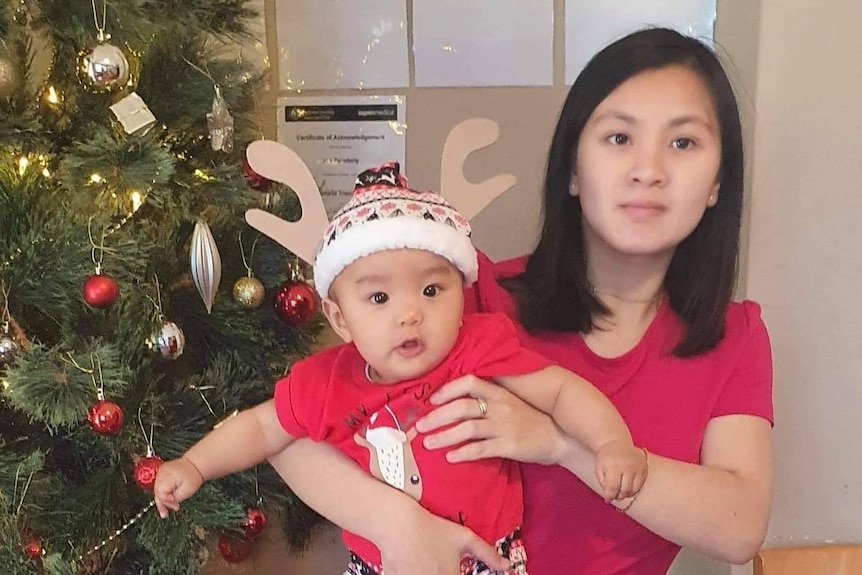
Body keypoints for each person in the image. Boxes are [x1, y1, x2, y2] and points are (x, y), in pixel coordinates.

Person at [265, 27, 774, 575]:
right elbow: (285, 436)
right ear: (574, 169)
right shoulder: (465, 297)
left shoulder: (734, 336)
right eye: (619, 138)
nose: (648, 170)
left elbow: (739, 526)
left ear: (719, 181)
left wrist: (559, 442)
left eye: (683, 143)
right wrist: (397, 525)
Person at [152, 163, 649, 575]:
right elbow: (261, 426)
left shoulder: (478, 346)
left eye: (432, 290)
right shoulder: (326, 381)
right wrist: (195, 465)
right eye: (379, 297)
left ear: (463, 294)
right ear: (340, 318)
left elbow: (561, 392)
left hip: (486, 559)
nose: (409, 313)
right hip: (381, 563)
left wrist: (611, 442)